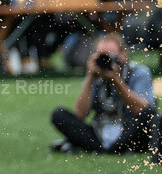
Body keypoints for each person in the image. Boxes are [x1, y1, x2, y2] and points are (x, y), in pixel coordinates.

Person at [50, 34, 160, 162]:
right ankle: (111, 149)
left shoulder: (138, 72)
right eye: (101, 55)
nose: (106, 60)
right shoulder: (96, 72)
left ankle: (99, 148)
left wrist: (116, 80)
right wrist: (90, 77)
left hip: (130, 130)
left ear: (123, 56)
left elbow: (144, 109)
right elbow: (80, 114)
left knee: (148, 114)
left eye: (110, 56)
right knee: (59, 115)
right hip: (101, 130)